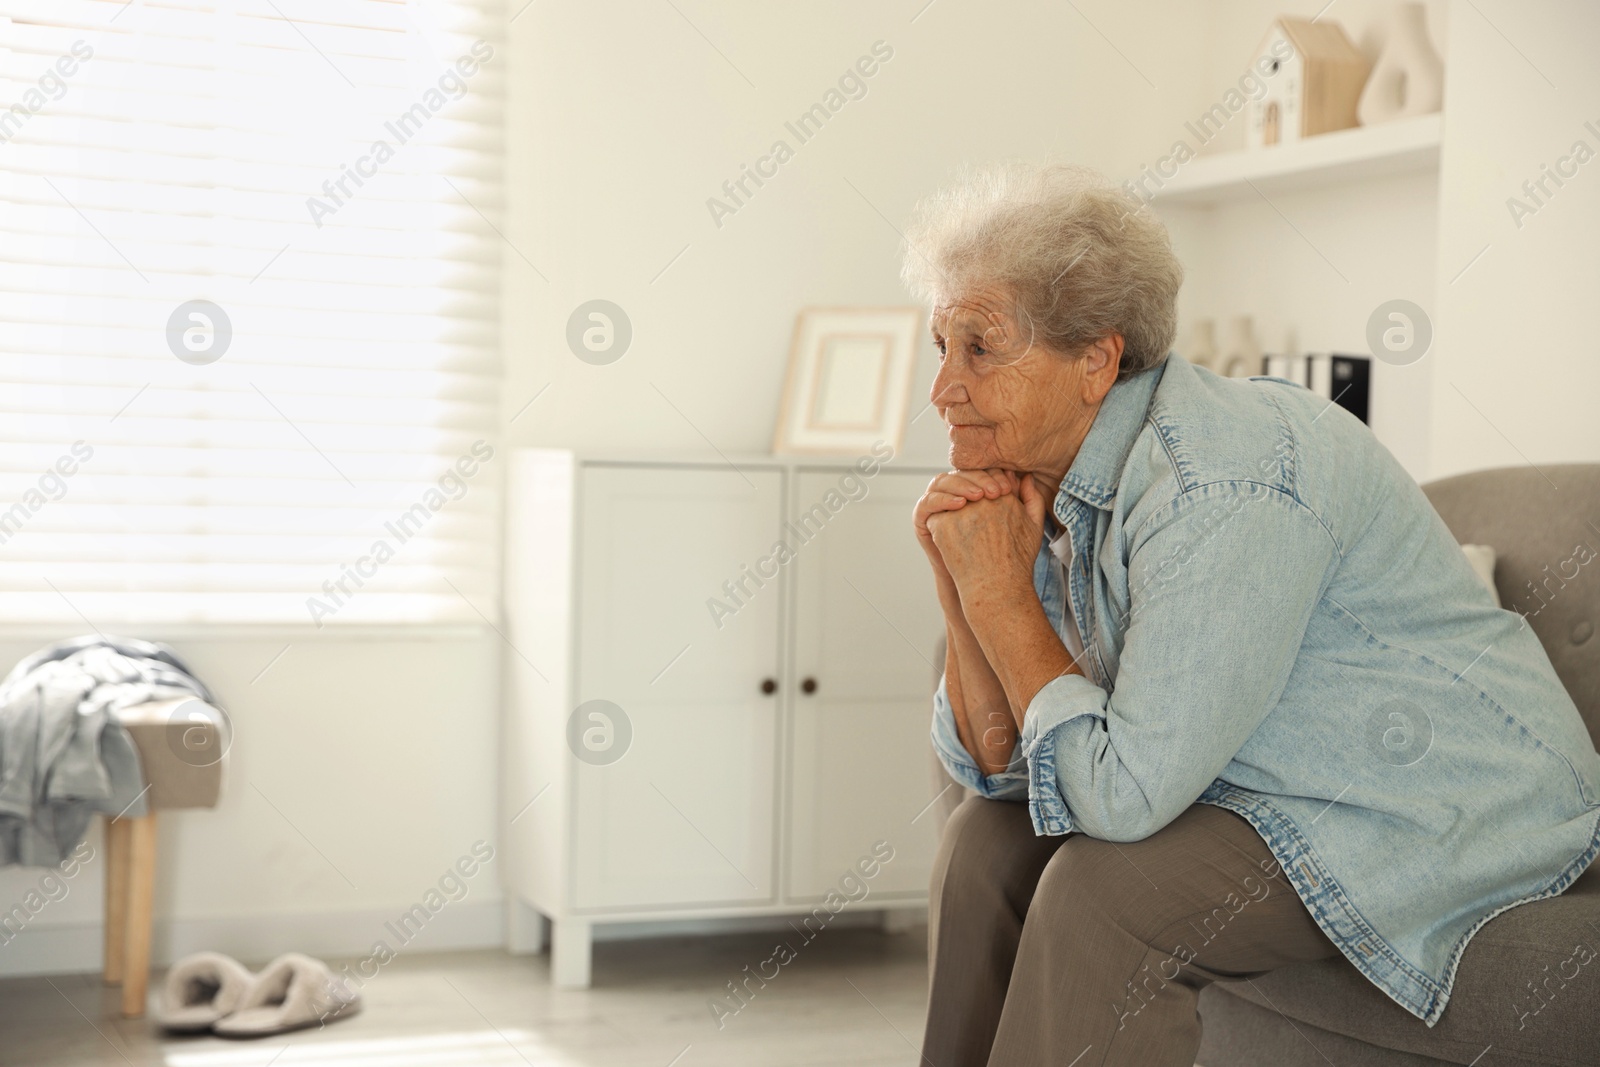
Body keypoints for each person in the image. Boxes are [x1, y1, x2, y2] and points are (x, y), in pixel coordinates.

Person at [906, 162, 1600, 1066]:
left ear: (1096, 362)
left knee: (1106, 891)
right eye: (942, 347)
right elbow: (996, 770)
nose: (942, 389)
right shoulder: (1050, 479)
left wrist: (1000, 592)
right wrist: (963, 589)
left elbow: (1124, 798)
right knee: (983, 843)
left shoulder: (1224, 480)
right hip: (1267, 786)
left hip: (1445, 803)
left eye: (981, 348)